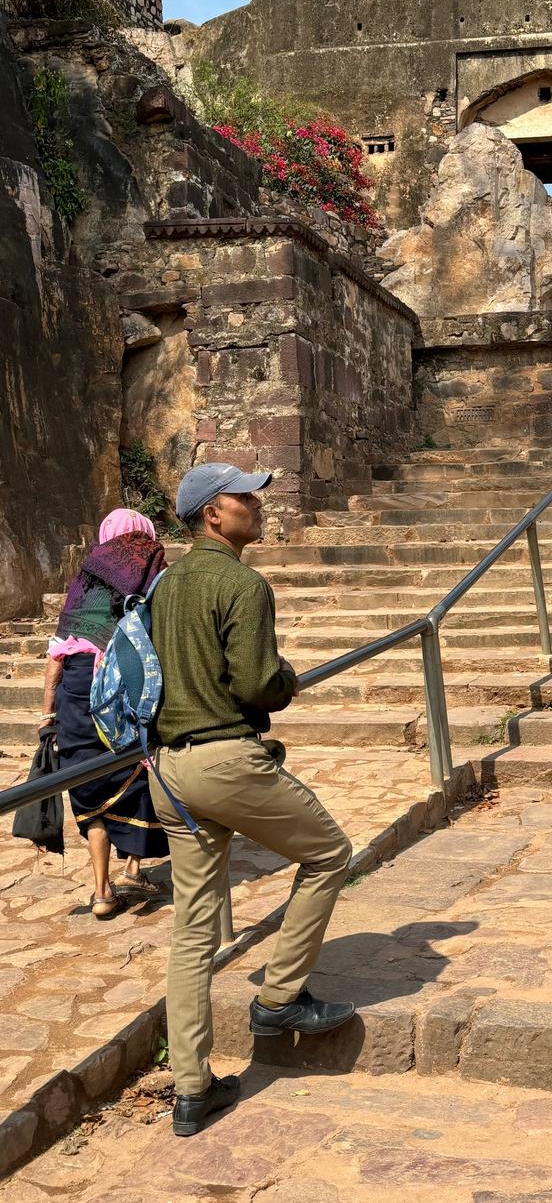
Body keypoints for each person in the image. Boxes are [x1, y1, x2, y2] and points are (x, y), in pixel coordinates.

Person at [149, 463, 354, 1139]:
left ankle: (190, 1088)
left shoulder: (163, 585)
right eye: (244, 499)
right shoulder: (241, 583)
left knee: (192, 929)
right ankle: (279, 997)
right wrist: (288, 677)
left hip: (168, 769)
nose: (257, 506)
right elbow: (260, 683)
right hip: (224, 759)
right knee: (328, 853)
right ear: (214, 513)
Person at [41, 508, 169, 919]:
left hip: (75, 692)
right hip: (123, 687)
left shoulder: (82, 584)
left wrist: (48, 715)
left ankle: (100, 890)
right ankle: (133, 866)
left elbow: (55, 657)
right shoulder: (150, 573)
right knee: (135, 769)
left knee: (87, 782)